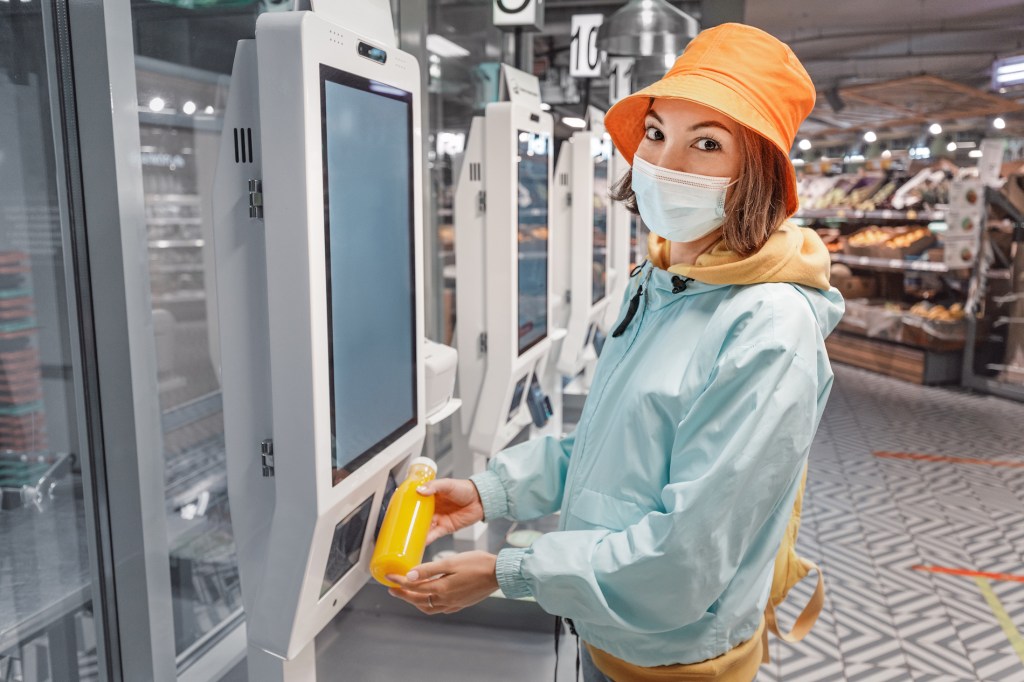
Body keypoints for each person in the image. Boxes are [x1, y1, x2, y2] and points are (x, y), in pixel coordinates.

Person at [388, 22, 844, 681]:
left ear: (759, 172)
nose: (664, 162)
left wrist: (507, 571)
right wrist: (492, 493)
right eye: (657, 133)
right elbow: (610, 450)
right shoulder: (665, 283)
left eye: (707, 143)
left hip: (674, 657)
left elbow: (685, 559)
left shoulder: (767, 329)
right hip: (610, 627)